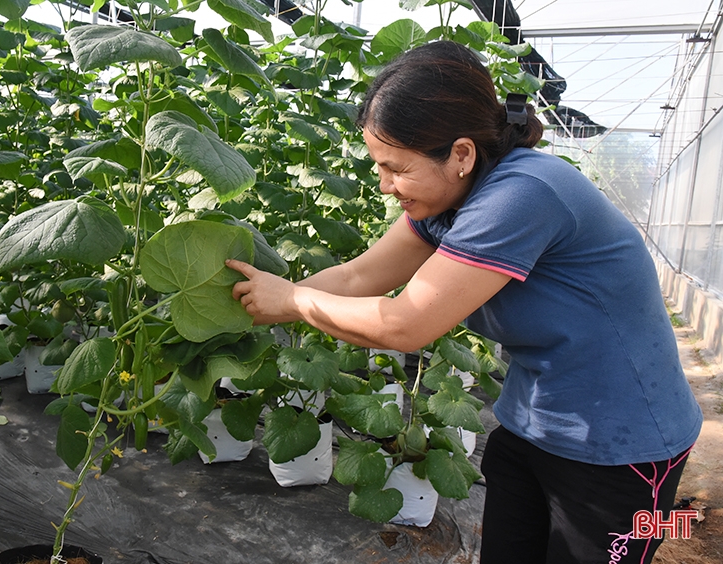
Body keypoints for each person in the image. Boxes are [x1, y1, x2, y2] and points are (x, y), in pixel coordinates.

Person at [225, 40, 702, 564]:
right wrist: (250, 297)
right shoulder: (446, 199)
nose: (385, 185)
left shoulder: (523, 194)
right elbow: (358, 274)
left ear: (461, 154)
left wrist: (292, 301)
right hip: (532, 422)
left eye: (397, 168)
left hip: (623, 448)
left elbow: (407, 325)